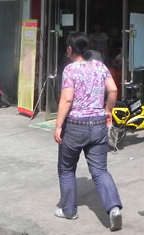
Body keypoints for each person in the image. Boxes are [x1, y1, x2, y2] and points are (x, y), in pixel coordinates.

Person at [53, 32, 123, 231]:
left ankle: (68, 210)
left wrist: (58, 125)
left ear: (70, 49)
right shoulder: (100, 66)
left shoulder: (70, 69)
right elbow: (113, 90)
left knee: (67, 169)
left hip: (75, 125)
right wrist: (107, 110)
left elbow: (67, 99)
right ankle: (114, 208)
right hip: (98, 124)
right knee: (100, 171)